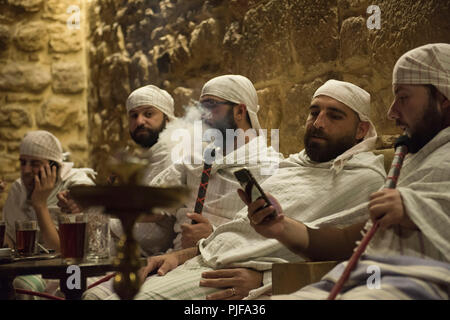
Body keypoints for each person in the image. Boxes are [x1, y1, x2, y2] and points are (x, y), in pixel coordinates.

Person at [93, 79, 387, 300]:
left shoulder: (354, 179)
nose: (318, 123)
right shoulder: (291, 167)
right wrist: (181, 255)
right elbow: (240, 231)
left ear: (361, 129)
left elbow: (354, 255)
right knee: (96, 296)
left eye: (334, 116)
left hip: (231, 275)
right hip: (202, 257)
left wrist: (266, 279)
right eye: (314, 113)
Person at [254, 43, 450, 300]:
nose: (391, 112)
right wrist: (281, 227)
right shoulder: (418, 159)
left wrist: (413, 208)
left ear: (443, 99)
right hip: (364, 278)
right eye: (314, 112)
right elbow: (354, 239)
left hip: (422, 282)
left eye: (403, 97)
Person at [82, 74, 284, 300]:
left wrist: (212, 236)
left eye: (211, 107)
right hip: (176, 260)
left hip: (219, 264)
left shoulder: (269, 166)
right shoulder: (195, 157)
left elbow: (270, 236)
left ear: (240, 111)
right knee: (93, 297)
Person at [58, 85, 178, 257]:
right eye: (133, 115)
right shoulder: (143, 158)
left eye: (148, 114)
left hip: (157, 262)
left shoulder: (174, 154)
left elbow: (157, 210)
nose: (139, 121)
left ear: (167, 119)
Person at [2, 130, 96, 299]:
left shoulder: (76, 186)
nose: (26, 170)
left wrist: (40, 204)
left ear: (54, 167)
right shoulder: (18, 189)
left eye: (35, 163)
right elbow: (9, 245)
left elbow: (62, 254)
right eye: (23, 162)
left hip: (71, 272)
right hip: (30, 271)